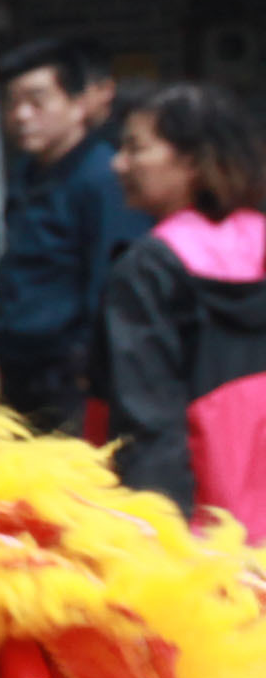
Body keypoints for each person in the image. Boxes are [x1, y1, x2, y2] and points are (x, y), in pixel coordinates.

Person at [102, 80, 266, 525]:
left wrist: (157, 534)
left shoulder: (148, 269)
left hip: (204, 526)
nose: (119, 164)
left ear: (192, 160)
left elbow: (148, 420)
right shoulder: (260, 243)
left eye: (136, 148)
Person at [0, 35, 143, 436]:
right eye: (12, 102)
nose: (21, 115)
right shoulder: (26, 172)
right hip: (21, 371)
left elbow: (110, 277)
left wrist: (88, 363)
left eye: (37, 102)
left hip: (71, 379)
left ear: (78, 105)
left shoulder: (101, 176)